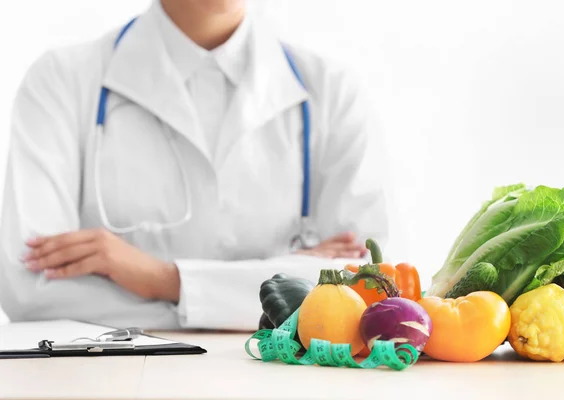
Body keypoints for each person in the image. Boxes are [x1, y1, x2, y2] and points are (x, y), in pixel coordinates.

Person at [0, 0, 391, 330]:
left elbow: (368, 286)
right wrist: (272, 289)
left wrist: (163, 280)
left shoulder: (332, 92)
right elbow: (30, 292)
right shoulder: (61, 81)